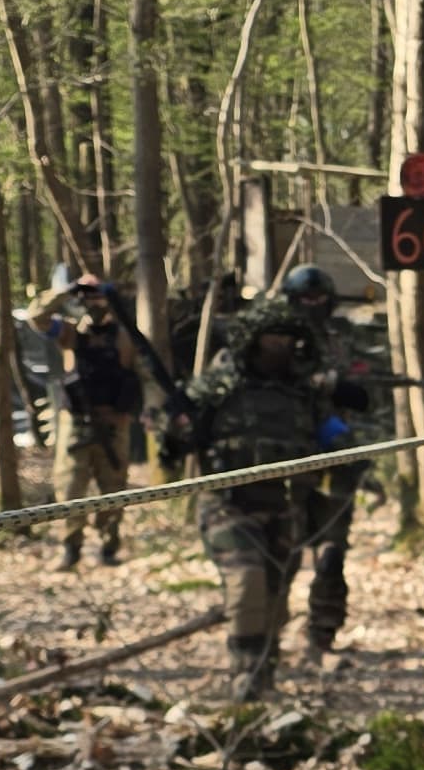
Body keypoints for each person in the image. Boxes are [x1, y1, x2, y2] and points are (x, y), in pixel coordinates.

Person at [168, 287, 349, 699]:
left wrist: (346, 451)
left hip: (285, 505)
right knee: (247, 580)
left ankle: (264, 673)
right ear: (253, 340)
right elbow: (178, 434)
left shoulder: (303, 392)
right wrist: (178, 428)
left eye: (287, 339)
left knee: (275, 594)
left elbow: (332, 436)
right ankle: (245, 676)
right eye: (272, 338)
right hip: (228, 503)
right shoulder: (221, 385)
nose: (280, 347)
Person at [277, 261, 375, 660]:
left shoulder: (341, 342)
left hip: (335, 460)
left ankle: (321, 634)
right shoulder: (273, 343)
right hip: (287, 464)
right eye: (306, 299)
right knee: (282, 553)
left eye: (319, 298)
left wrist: (339, 388)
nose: (313, 306)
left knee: (332, 553)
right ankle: (266, 636)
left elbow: (365, 396)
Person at [25, 264, 142, 568]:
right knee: (70, 489)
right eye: (88, 297)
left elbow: (142, 375)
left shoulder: (125, 336)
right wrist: (67, 290)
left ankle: (109, 546)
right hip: (76, 423)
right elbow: (36, 317)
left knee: (113, 489)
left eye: (98, 296)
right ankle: (71, 547)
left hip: (113, 424)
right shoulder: (70, 332)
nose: (94, 303)